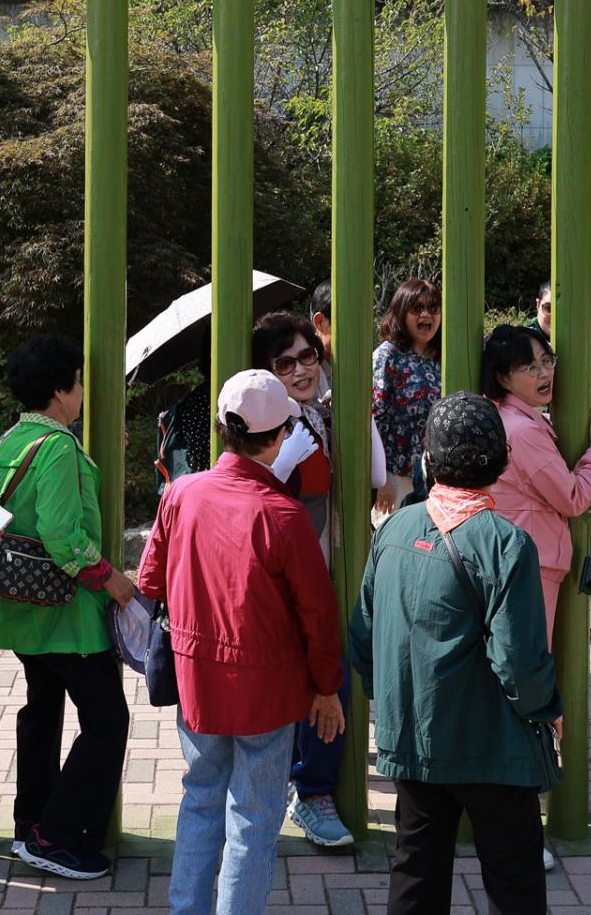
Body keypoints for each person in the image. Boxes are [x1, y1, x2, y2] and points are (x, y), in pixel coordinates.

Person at [136, 369, 344, 915]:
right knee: (253, 817)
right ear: (280, 437)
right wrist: (327, 687)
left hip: (197, 677)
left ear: (221, 428)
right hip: (268, 687)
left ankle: (187, 908)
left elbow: (151, 581)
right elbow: (318, 616)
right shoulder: (284, 515)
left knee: (201, 797)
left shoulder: (181, 493)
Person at [348, 393, 562, 915]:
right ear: (502, 460)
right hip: (494, 747)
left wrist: (395, 701)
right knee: (514, 880)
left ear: (428, 458)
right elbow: (519, 663)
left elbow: (362, 636)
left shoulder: (393, 529)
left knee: (415, 870)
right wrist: (547, 709)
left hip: (412, 739)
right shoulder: (507, 543)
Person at [0, 334, 134, 881]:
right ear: (59, 390)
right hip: (67, 614)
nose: (83, 390)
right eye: (78, 380)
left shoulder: (11, 441)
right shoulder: (56, 446)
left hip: (24, 609)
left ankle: (32, 824)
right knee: (108, 720)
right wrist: (111, 579)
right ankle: (58, 836)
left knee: (42, 711)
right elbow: (62, 535)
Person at [251, 311, 377, 849]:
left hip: (319, 571)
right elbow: (250, 500)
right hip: (279, 579)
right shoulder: (262, 428)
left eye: (307, 356)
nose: (301, 369)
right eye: (285, 364)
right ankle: (305, 789)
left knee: (331, 677)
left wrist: (358, 413)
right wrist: (280, 468)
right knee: (317, 681)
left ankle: (308, 788)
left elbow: (374, 474)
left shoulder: (319, 415)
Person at [481, 324, 591, 644]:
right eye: (530, 367)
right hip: (530, 565)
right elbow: (572, 497)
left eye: (546, 361)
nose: (544, 373)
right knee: (527, 661)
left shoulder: (512, 419)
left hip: (517, 561)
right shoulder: (523, 431)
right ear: (503, 378)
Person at [307, 282, 391, 513]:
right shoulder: (301, 374)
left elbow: (377, 475)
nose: (358, 334)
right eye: (349, 323)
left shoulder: (354, 368)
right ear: (320, 322)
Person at [373, 278, 443, 507]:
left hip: (438, 478)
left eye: (433, 308)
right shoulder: (388, 356)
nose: (426, 314)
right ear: (401, 312)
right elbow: (371, 419)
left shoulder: (444, 357)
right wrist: (379, 478)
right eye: (417, 308)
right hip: (397, 477)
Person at [535, 281, 591, 457]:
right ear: (537, 305)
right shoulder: (522, 345)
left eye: (563, 310)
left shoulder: (590, 349)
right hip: (542, 449)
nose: (556, 316)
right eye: (548, 308)